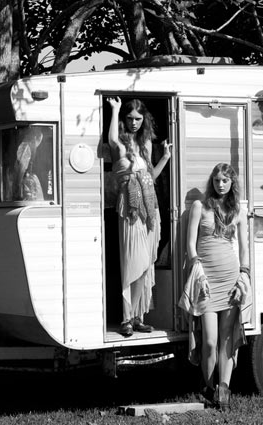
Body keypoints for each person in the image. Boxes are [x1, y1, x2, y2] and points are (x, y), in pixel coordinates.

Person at [185, 163, 251, 409]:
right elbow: (190, 245)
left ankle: (223, 391)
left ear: (232, 182)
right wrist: (198, 272)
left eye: (225, 180)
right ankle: (208, 386)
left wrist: (243, 276)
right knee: (210, 341)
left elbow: (244, 248)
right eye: (216, 180)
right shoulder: (199, 207)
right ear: (211, 182)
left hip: (230, 278)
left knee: (227, 338)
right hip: (206, 280)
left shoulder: (238, 211)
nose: (220, 185)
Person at [107, 97, 171, 337]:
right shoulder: (120, 145)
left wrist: (165, 158)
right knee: (132, 262)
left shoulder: (145, 144)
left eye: (138, 119)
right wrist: (114, 110)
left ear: (144, 120)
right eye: (130, 118)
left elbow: (150, 176)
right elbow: (112, 139)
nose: (134, 123)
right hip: (130, 209)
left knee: (145, 265)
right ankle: (126, 318)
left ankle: (138, 317)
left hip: (149, 208)